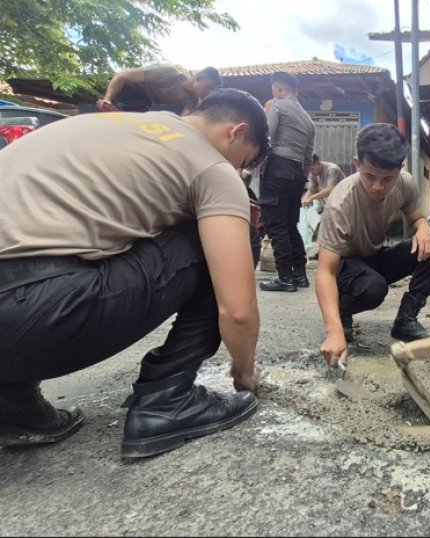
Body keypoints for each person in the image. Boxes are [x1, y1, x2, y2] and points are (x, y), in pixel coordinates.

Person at [0, 88, 270, 458]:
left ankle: (13, 405)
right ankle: (168, 399)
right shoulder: (212, 168)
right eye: (245, 161)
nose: (239, 171)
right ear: (236, 132)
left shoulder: (112, 124)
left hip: (16, 310)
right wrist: (245, 371)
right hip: (29, 314)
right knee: (238, 241)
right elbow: (237, 311)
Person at [315, 123, 430, 367]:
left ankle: (406, 322)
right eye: (370, 176)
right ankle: (341, 313)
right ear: (357, 163)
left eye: (388, 179)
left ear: (400, 169)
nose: (378, 186)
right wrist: (333, 332)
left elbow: (416, 216)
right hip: (345, 266)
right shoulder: (341, 203)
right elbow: (325, 271)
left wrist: (424, 227)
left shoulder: (405, 183)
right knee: (373, 288)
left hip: (375, 257)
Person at [258, 72, 316, 293]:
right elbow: (308, 157)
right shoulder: (308, 119)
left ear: (279, 89)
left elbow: (266, 138)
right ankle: (300, 275)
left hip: (277, 168)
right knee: (291, 225)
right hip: (297, 173)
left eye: (274, 89)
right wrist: (301, 179)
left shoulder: (278, 106)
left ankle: (284, 278)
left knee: (275, 225)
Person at [96, 64, 222, 116]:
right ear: (198, 79)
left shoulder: (193, 101)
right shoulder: (167, 73)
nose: (208, 93)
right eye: (208, 87)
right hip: (130, 88)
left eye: (212, 91)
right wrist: (107, 99)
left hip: (145, 101)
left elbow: (183, 122)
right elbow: (121, 76)